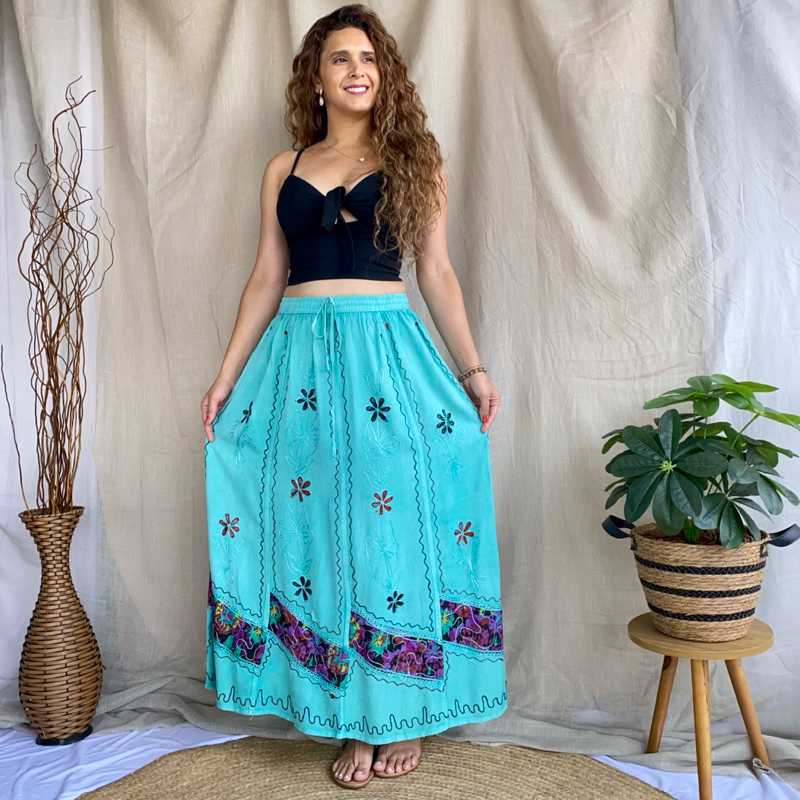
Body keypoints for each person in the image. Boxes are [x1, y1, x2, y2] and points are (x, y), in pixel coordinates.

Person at [201, 4, 506, 790]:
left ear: (384, 73)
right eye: (340, 58)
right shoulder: (283, 167)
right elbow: (267, 276)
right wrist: (226, 375)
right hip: (297, 362)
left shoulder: (415, 158)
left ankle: (395, 712)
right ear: (317, 77)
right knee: (319, 527)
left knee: (388, 525)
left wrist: (472, 369)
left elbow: (436, 271)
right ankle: (347, 711)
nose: (356, 70)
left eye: (368, 58)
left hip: (384, 357)